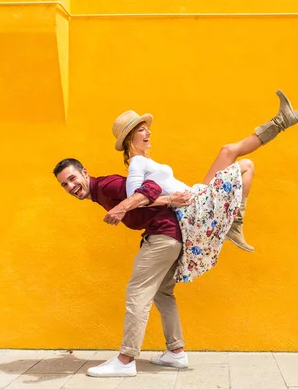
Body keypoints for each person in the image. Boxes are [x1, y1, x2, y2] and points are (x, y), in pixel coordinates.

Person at [112, 90, 298, 283]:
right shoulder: (137, 162)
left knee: (227, 150)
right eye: (142, 130)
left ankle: (282, 120)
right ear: (130, 139)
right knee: (246, 166)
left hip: (195, 194)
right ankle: (235, 224)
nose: (149, 132)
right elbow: (133, 200)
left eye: (147, 128)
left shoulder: (145, 161)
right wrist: (170, 200)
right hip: (193, 207)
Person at [53, 159, 193, 377]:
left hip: (162, 235)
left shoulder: (108, 185)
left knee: (137, 293)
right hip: (170, 235)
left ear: (85, 173)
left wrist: (122, 207)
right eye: (64, 185)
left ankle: (125, 360)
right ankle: (176, 352)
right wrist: (165, 200)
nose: (71, 187)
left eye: (72, 179)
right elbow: (146, 198)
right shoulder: (99, 195)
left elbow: (152, 185)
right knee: (162, 293)